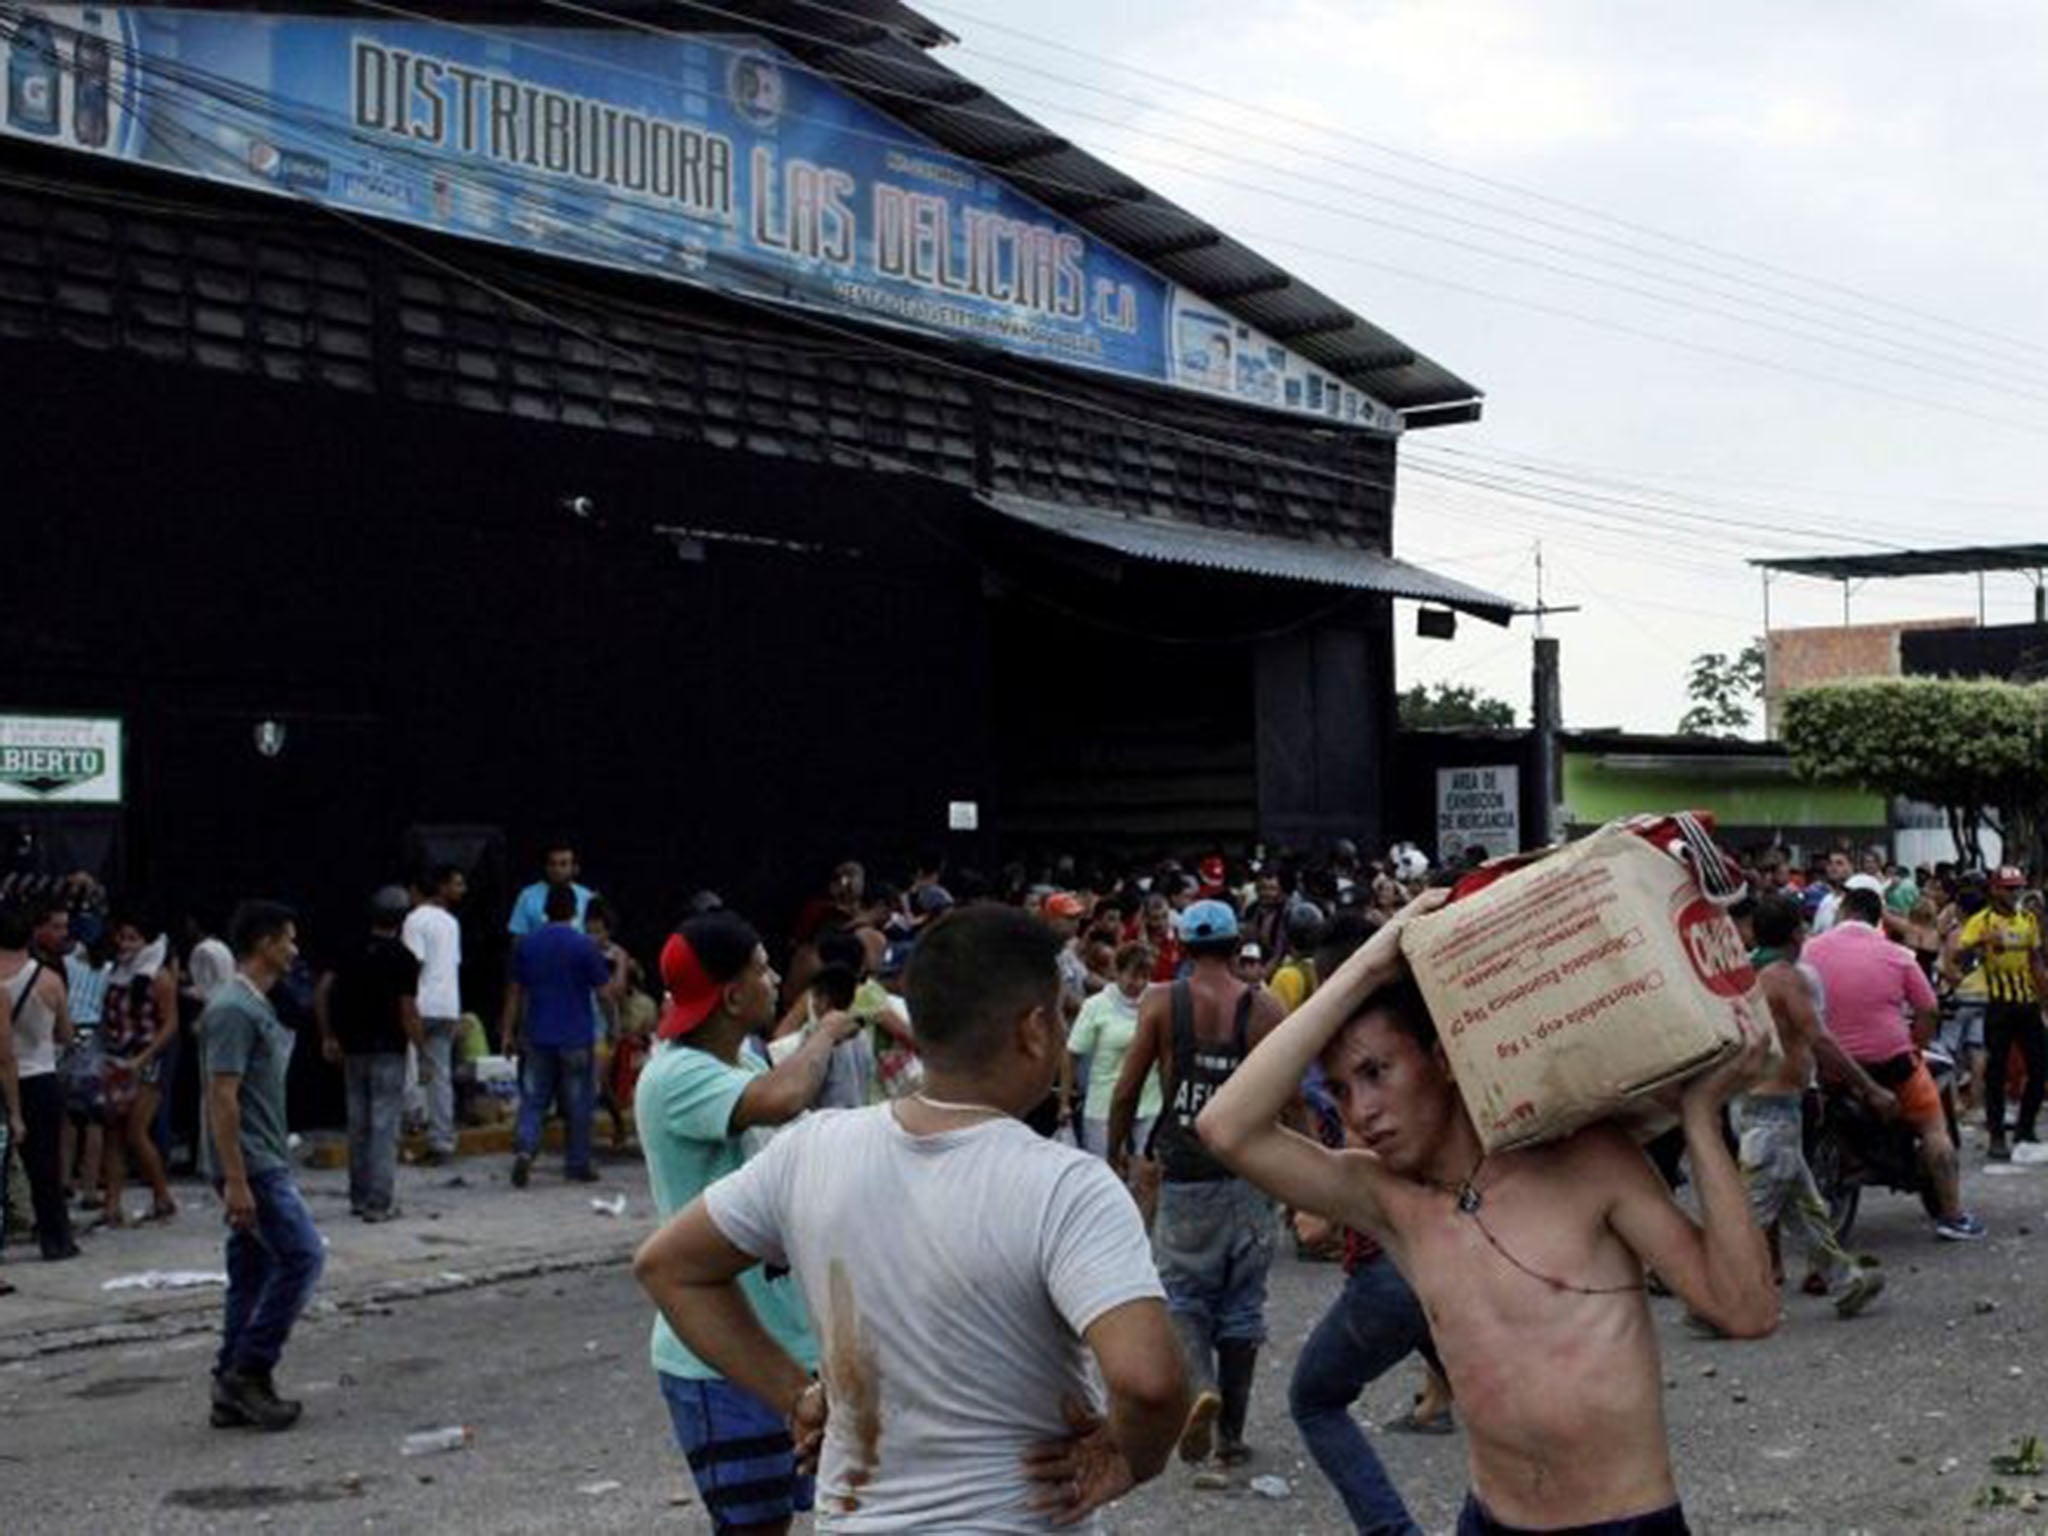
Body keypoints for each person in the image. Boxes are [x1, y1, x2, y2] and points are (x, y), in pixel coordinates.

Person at [1198, 893, 1780, 1535]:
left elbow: (1745, 1309)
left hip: (1622, 1522)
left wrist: (1701, 1121)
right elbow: (1226, 1128)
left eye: (1377, 1072)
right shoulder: (1391, 1202)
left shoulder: (1585, 1163)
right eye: (1339, 1089)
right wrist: (1366, 968)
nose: (1361, 1111)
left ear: (1444, 1060)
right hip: (1489, 1520)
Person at [633, 903, 1190, 1531]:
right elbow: (1150, 1383)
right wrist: (1126, 1459)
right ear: (1034, 1030)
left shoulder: (811, 1149)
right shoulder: (1069, 1186)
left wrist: (798, 1397)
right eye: (1061, 1017)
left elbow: (667, 1265)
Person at [635, 911, 861, 1535]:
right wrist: (825, 1032)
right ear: (733, 995)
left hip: (786, 1342)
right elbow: (784, 1098)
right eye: (762, 968)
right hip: (719, 1358)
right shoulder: (675, 1075)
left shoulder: (738, 1063)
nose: (775, 977)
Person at [1109, 898, 1286, 1470]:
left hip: (1185, 1171)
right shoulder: (1265, 1009)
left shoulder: (1162, 1001)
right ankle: (1231, 1434)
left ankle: (1201, 1384)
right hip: (1251, 1171)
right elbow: (1288, 1099)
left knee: (1184, 1294)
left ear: (1181, 948)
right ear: (1237, 948)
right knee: (1242, 1306)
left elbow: (1127, 1086)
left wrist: (1119, 1149)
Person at [1730, 893, 1890, 1323]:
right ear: (1798, 933)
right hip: (1772, 1109)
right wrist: (1869, 1087)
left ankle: (1846, 1279)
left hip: (1764, 1104)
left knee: (1806, 1205)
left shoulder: (1749, 971)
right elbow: (1818, 1038)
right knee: (1751, 1215)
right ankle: (1716, 1302)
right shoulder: (1785, 977)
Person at [203, 900, 324, 1433]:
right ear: (264, 944)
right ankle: (249, 1370)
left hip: (263, 1154)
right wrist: (236, 1179)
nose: (294, 950)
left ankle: (231, 1384)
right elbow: (221, 1097)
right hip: (252, 1164)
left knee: (250, 1272)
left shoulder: (257, 1006)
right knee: (302, 1256)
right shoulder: (233, 1009)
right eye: (288, 940)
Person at [1805, 886, 1983, 1238]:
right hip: (1889, 1062)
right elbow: (1928, 1009)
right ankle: (1953, 1217)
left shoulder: (1809, 950)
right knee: (1934, 1128)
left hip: (1827, 1065)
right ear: (1878, 919)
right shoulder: (1898, 955)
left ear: (1842, 915)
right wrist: (1917, 1044)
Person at [503, 884, 623, 1187]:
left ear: (545, 909)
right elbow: (605, 993)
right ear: (573, 911)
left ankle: (526, 1148)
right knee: (579, 1101)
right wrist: (613, 1027)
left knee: (533, 1099)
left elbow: (515, 993)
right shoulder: (584, 946)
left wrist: (508, 1031)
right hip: (576, 1034)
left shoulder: (527, 945)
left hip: (537, 1033)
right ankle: (578, 1162)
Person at [316, 887, 423, 1223]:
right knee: (383, 1127)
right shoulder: (404, 959)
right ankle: (380, 1202)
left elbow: (322, 990)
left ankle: (359, 1196)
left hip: (353, 1049)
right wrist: (423, 1052)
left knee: (358, 1124)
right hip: (388, 1050)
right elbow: (407, 1011)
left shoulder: (349, 950)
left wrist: (328, 1035)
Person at [1953, 866, 2047, 1161]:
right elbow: (1959, 958)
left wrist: (2045, 998)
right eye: (2008, 888)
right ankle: (1996, 1135)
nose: (2014, 893)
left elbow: (2036, 961)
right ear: (1994, 890)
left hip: (2028, 1004)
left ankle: (2025, 1128)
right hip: (1997, 1006)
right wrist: (1982, 946)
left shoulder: (2028, 919)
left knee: (2041, 1068)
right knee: (1996, 1073)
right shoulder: (1981, 922)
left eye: (2017, 887)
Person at [1, 905, 78, 1261]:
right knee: (45, 1164)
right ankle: (55, 1237)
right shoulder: (49, 980)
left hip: (5, 1075)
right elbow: (65, 1032)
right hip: (40, 1073)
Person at [98, 912, 180, 1226]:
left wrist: (143, 1058)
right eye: (122, 937)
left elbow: (169, 1023)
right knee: (114, 1131)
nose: (125, 944)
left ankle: (162, 1195)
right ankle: (112, 1205)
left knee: (135, 1130)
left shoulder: (158, 978)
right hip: (118, 1056)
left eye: (133, 937)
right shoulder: (116, 973)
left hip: (149, 1059)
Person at [1069, 943, 1162, 1172]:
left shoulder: (1159, 1001)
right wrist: (1064, 1103)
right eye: (1133, 976)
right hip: (1104, 1103)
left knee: (1147, 1173)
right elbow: (1071, 1052)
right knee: (1104, 1173)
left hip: (1149, 1101)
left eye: (1145, 977)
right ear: (1118, 973)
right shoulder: (1095, 1006)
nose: (1139, 984)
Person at [402, 865, 466, 1164]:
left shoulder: (414, 920)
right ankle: (442, 1140)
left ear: (415, 892)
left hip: (421, 1002)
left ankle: (413, 1123)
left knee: (411, 1067)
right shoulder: (451, 922)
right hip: (448, 1004)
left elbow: (412, 964)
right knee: (441, 1075)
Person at [506, 840, 595, 940]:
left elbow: (597, 937)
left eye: (563, 864)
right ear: (545, 867)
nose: (557, 870)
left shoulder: (588, 897)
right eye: (552, 864)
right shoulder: (527, 896)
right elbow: (518, 938)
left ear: (574, 868)